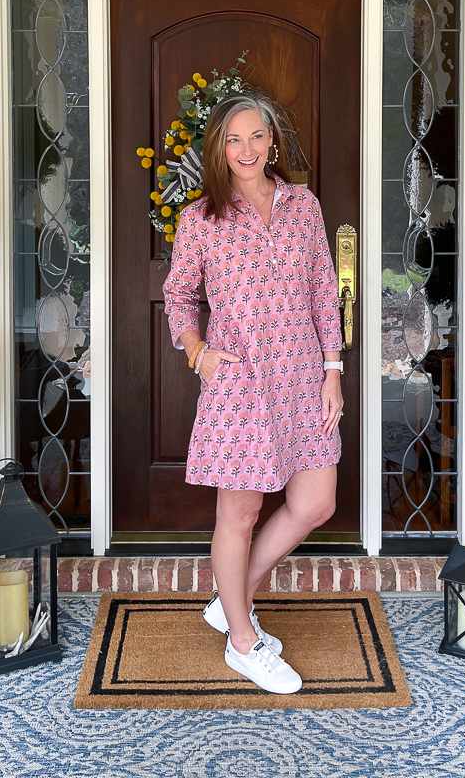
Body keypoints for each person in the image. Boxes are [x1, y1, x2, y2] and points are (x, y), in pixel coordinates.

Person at [163, 91, 344, 694]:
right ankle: (244, 642)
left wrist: (333, 369)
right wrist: (198, 352)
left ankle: (229, 597)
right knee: (238, 514)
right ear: (218, 146)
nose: (246, 149)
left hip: (302, 376)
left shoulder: (304, 207)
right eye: (233, 139)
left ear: (273, 141)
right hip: (239, 382)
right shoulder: (201, 218)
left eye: (257, 136)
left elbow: (324, 291)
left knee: (316, 501)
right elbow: (180, 297)